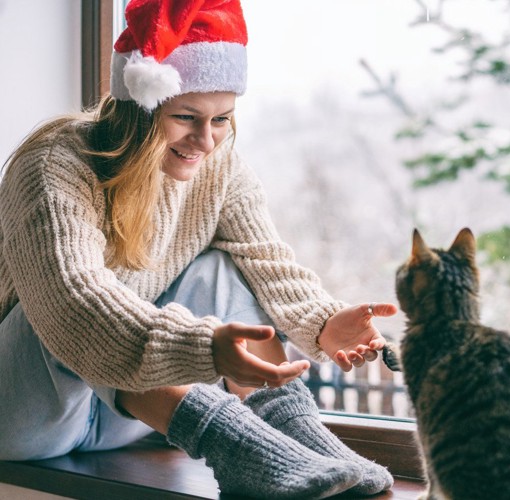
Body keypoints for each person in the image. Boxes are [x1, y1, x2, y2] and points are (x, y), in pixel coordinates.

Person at [0, 0, 398, 498]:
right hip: (24, 413)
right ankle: (238, 449)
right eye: (186, 116)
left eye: (223, 119)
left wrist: (322, 321)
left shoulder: (219, 166)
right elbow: (74, 305)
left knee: (221, 268)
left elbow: (265, 258)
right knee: (77, 305)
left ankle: (300, 435)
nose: (206, 141)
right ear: (140, 104)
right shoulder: (56, 162)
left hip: (127, 415)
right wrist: (204, 347)